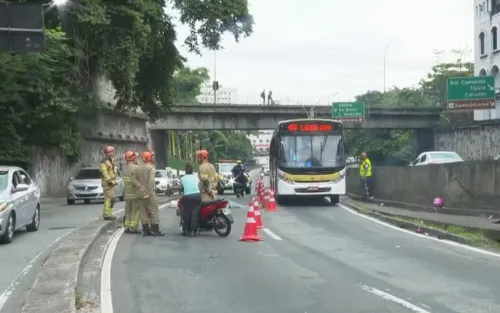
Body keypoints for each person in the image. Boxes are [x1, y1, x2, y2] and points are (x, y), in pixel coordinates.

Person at [136, 151, 164, 236]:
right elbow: (151, 180)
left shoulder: (138, 168)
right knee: (154, 210)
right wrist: (148, 191)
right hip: (150, 192)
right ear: (150, 158)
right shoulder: (151, 168)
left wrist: (140, 187)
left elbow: (133, 179)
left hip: (140, 192)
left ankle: (145, 230)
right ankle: (155, 230)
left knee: (143, 211)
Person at [122, 151, 147, 234]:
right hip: (134, 192)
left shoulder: (124, 168)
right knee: (136, 210)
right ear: (133, 158)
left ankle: (127, 226)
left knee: (128, 210)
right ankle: (133, 227)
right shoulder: (136, 168)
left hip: (126, 192)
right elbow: (139, 177)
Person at [179, 163, 202, 237]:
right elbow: (199, 186)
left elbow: (182, 189)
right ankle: (194, 230)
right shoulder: (196, 177)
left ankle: (185, 230)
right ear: (192, 171)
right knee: (195, 212)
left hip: (187, 197)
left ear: (185, 171)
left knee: (186, 212)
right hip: (197, 196)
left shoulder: (182, 178)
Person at [99, 146, 117, 220]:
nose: (110, 153)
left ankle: (109, 213)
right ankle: (107, 214)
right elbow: (104, 172)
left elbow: (112, 170)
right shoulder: (103, 162)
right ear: (106, 153)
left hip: (112, 181)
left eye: (111, 152)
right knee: (108, 198)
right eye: (108, 152)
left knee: (112, 198)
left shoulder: (111, 160)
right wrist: (109, 181)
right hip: (107, 182)